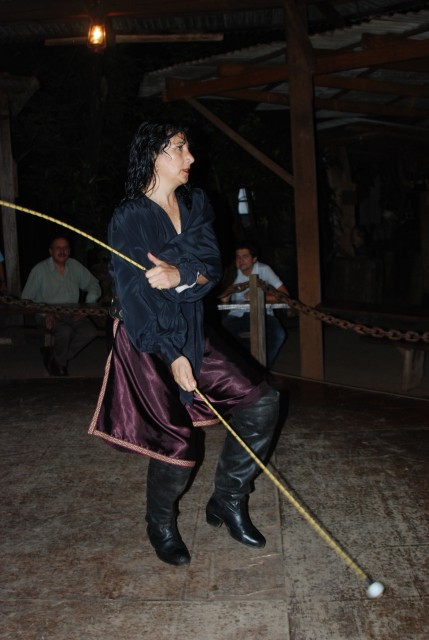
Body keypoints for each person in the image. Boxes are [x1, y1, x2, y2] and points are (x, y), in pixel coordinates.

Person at [89, 120, 280, 567]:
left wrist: (181, 274)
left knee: (262, 402)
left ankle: (228, 500)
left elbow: (210, 267)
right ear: (153, 155)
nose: (190, 157)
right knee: (177, 441)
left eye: (187, 148)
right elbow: (134, 295)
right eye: (179, 148)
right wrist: (172, 353)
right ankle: (160, 523)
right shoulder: (129, 217)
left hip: (192, 326)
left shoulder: (196, 204)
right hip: (145, 337)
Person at [21, 236, 101, 376]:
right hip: (47, 314)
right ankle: (60, 366)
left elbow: (93, 284)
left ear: (69, 251)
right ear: (51, 251)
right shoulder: (40, 270)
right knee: (65, 331)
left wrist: (87, 306)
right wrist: (46, 312)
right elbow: (26, 299)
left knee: (90, 332)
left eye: (65, 248)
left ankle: (56, 357)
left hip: (71, 312)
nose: (62, 251)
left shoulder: (75, 266)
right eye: (58, 248)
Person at [221, 242, 289, 368]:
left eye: (245, 256)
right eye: (238, 257)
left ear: (254, 259)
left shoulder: (264, 270)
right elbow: (223, 299)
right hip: (237, 315)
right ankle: (243, 367)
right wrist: (228, 284)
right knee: (221, 338)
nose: (241, 260)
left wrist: (259, 296)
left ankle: (261, 370)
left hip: (264, 314)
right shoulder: (232, 272)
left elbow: (284, 295)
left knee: (278, 335)